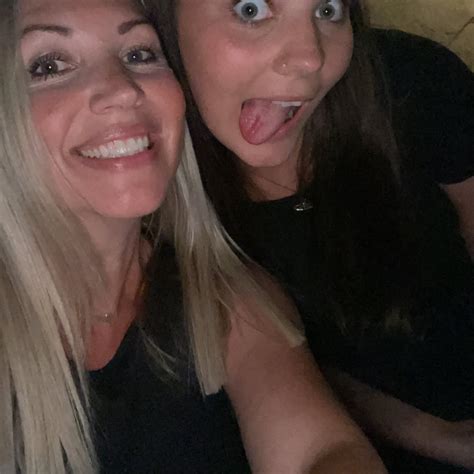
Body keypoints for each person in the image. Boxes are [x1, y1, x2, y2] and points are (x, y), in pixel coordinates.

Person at [1, 0, 389, 472]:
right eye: (48, 66)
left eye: (139, 54)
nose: (122, 90)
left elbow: (323, 451)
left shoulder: (230, 301)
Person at [150, 0, 474, 472]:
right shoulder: (145, 193)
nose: (311, 57)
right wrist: (442, 437)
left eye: (328, 9)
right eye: (250, 8)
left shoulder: (410, 80)